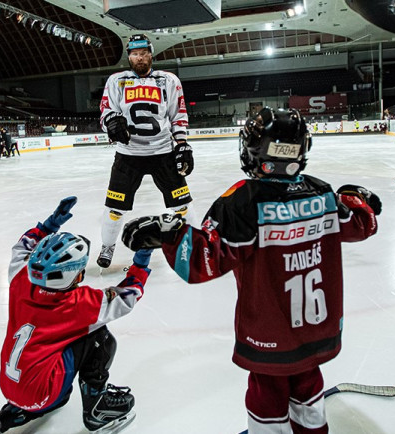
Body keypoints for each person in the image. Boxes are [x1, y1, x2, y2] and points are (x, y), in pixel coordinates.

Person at [119, 107, 381, 434]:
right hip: (318, 334)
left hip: (270, 338)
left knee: (267, 397)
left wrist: (169, 235)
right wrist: (359, 199)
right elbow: (361, 224)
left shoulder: (243, 201)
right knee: (308, 386)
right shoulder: (323, 192)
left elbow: (200, 262)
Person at [0, 196, 154, 434]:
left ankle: (5, 418)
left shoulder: (19, 279)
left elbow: (22, 247)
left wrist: (48, 226)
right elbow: (127, 296)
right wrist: (141, 261)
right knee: (99, 336)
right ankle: (97, 409)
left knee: (46, 367)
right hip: (46, 393)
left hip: (10, 386)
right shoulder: (81, 304)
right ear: (75, 277)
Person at [97, 34, 193, 268]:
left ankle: (190, 245)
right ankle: (107, 246)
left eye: (144, 53)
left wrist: (182, 145)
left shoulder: (168, 80)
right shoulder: (116, 81)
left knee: (181, 205)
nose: (139, 58)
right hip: (128, 155)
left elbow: (177, 115)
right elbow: (105, 113)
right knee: (114, 208)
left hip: (163, 152)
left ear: (151, 54)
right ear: (129, 56)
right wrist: (110, 122)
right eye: (135, 54)